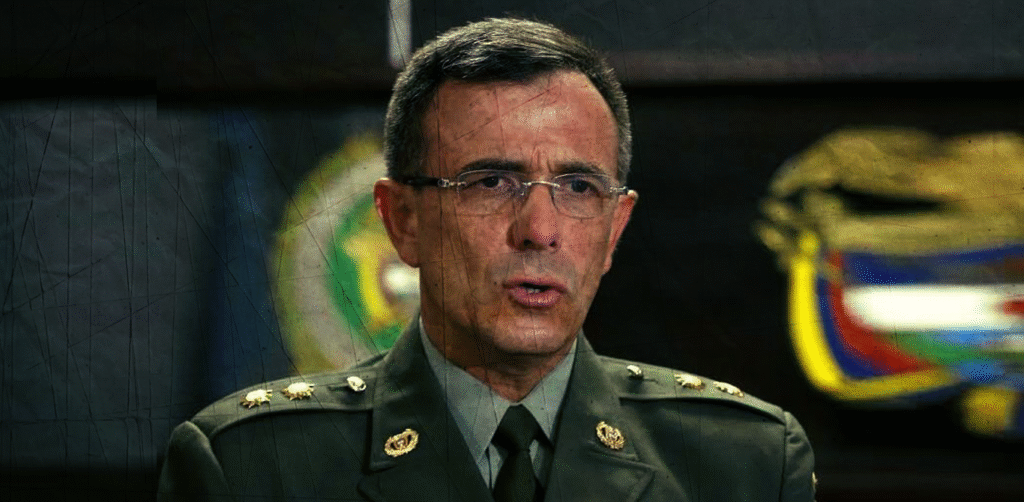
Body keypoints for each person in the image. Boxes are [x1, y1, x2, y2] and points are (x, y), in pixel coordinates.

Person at [158, 17, 816, 502]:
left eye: (578, 188)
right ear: (402, 220)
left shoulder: (744, 465)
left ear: (615, 230)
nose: (540, 231)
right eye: (491, 182)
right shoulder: (251, 469)